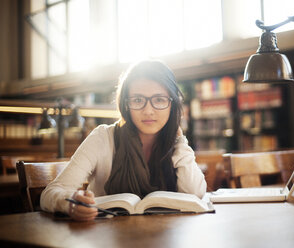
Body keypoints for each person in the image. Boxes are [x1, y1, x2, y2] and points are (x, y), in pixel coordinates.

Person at [40, 60, 207, 221]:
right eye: (138, 100)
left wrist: (180, 141)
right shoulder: (102, 138)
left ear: (173, 104)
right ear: (125, 104)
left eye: (159, 100)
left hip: (166, 237)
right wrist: (71, 203)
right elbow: (51, 192)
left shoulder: (176, 144)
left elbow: (195, 195)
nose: (148, 110)